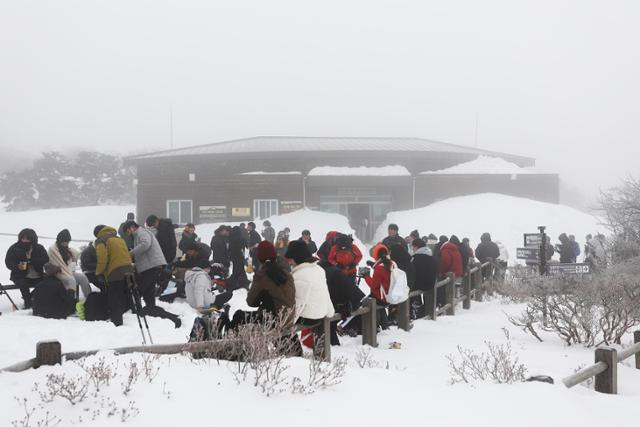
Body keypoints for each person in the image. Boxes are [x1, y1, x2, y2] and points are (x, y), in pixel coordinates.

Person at [126, 221, 181, 328]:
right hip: (153, 266)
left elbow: (145, 244)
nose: (129, 234)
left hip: (150, 266)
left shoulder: (141, 232)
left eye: (128, 231)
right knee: (148, 291)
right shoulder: (142, 232)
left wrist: (130, 253)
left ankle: (138, 312)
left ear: (132, 227)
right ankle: (152, 309)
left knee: (140, 289)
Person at [284, 241, 335, 324]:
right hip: (320, 314)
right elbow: (325, 293)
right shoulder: (319, 270)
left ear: (297, 258)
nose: (289, 263)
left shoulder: (299, 275)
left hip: (308, 318)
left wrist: (288, 322)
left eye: (291, 259)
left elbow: (299, 302)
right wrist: (330, 312)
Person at [246, 241, 296, 326]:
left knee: (238, 316)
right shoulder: (286, 274)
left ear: (259, 257)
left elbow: (251, 302)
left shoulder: (262, 276)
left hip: (274, 322)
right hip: (289, 319)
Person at [318, 257, 365, 344]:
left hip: (348, 302)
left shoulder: (327, 273)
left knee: (329, 324)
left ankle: (334, 345)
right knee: (331, 325)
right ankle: (334, 344)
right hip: (353, 298)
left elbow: (331, 292)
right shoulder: (333, 271)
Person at [95, 226, 133, 326]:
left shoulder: (101, 241)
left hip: (115, 271)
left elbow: (102, 259)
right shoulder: (119, 239)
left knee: (114, 298)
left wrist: (99, 272)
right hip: (128, 269)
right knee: (125, 295)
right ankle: (133, 314)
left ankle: (117, 322)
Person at [4, 228, 49, 309]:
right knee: (23, 284)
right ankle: (28, 303)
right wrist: (17, 266)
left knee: (49, 281)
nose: (24, 240)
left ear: (32, 239)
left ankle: (31, 297)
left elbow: (46, 259)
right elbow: (8, 262)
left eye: (27, 238)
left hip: (37, 274)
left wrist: (33, 261)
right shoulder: (14, 248)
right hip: (19, 275)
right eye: (23, 238)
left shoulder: (38, 248)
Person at [47, 229, 92, 299]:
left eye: (67, 242)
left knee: (83, 277)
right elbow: (53, 263)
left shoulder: (68, 250)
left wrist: (73, 260)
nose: (66, 244)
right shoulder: (52, 250)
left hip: (68, 272)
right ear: (60, 240)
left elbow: (71, 265)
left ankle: (89, 298)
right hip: (58, 273)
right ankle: (71, 302)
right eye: (65, 242)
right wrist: (67, 272)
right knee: (71, 280)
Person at [363, 244, 392, 328]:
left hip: (383, 297)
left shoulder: (379, 268)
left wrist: (366, 277)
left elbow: (374, 285)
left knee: (365, 303)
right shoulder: (391, 263)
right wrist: (373, 265)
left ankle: (372, 327)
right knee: (377, 301)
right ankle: (384, 324)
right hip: (390, 295)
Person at [410, 239, 438, 319]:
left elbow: (413, 272)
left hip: (419, 284)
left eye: (413, 247)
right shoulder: (431, 256)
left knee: (409, 296)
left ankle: (411, 314)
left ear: (416, 247)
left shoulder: (415, 258)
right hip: (431, 283)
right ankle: (426, 313)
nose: (412, 249)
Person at [81, 225, 106, 289]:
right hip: (90, 273)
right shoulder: (87, 251)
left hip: (100, 271)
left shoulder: (103, 245)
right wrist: (101, 265)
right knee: (105, 286)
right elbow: (86, 265)